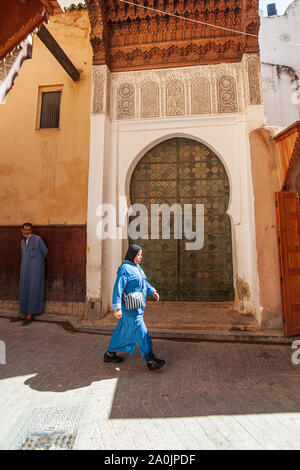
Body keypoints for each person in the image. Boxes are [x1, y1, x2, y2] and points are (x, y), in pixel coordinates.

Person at [104, 244, 165, 371]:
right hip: (130, 309)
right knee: (142, 333)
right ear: (132, 255)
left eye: (141, 254)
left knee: (122, 330)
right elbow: (118, 288)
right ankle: (151, 360)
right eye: (138, 254)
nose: (141, 257)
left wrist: (152, 291)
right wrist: (117, 308)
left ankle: (110, 354)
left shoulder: (136, 267)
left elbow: (144, 282)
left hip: (137, 307)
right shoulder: (125, 269)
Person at [11, 223, 48, 326]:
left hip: (35, 271)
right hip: (25, 270)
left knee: (33, 290)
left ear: (31, 230)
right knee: (24, 290)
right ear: (21, 230)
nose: (26, 232)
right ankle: (23, 314)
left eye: (28, 230)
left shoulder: (38, 240)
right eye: (25, 230)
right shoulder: (22, 242)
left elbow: (45, 252)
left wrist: (37, 264)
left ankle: (30, 315)